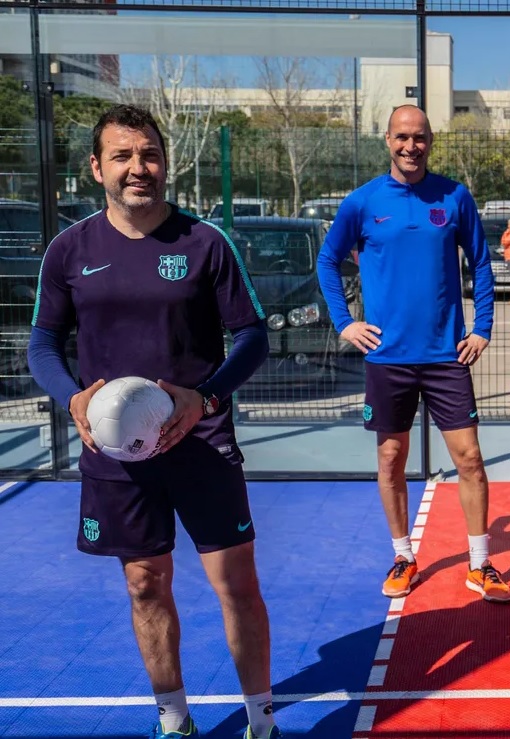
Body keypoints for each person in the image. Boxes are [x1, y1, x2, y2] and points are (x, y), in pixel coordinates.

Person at [26, 104, 279, 739]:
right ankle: (174, 722)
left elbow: (251, 337)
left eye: (149, 155)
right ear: (96, 168)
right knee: (144, 583)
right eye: (123, 156)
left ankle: (261, 722)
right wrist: (73, 398)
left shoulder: (204, 243)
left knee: (236, 584)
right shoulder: (69, 250)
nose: (139, 168)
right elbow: (41, 345)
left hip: (201, 443)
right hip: (116, 456)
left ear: (164, 163)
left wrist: (206, 398)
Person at [316, 104, 510, 606]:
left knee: (469, 458)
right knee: (390, 457)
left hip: (448, 356)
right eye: (402, 137)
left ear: (430, 140)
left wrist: (484, 328)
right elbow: (327, 261)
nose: (411, 146)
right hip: (387, 359)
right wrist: (346, 323)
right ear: (387, 140)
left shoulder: (455, 196)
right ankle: (404, 555)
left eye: (420, 137)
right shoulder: (362, 203)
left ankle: (479, 564)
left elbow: (482, 263)